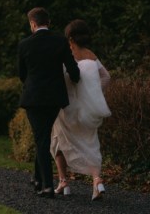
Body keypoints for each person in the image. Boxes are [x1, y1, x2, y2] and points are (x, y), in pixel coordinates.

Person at [18, 7, 80, 198]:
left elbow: (22, 75)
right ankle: (37, 179)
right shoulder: (60, 42)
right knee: (43, 137)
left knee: (42, 139)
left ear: (33, 24)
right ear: (49, 22)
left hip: (34, 99)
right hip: (54, 99)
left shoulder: (24, 44)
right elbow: (74, 71)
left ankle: (46, 185)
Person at [50, 19, 111, 201]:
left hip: (67, 108)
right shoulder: (92, 56)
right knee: (90, 144)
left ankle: (63, 182)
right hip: (87, 110)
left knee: (57, 142)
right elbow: (106, 77)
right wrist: (92, 94)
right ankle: (97, 181)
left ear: (70, 37)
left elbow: (60, 78)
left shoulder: (67, 54)